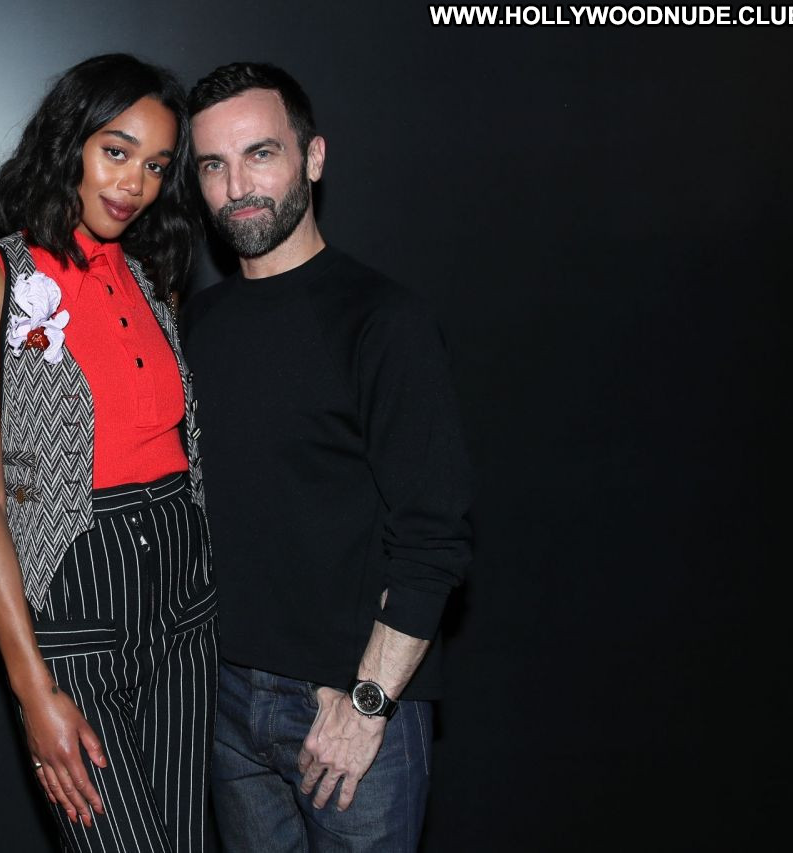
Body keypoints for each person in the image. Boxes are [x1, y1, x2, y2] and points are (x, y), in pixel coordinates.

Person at [182, 62, 474, 852]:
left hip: (346, 707)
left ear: (313, 157)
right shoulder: (193, 327)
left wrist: (369, 701)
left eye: (261, 154)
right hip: (225, 706)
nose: (237, 186)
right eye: (213, 165)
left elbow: (434, 537)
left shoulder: (383, 321)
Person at [0, 54, 216, 853]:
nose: (134, 183)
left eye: (156, 165)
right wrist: (32, 689)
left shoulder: (155, 280)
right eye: (116, 151)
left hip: (186, 605)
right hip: (75, 602)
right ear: (69, 143)